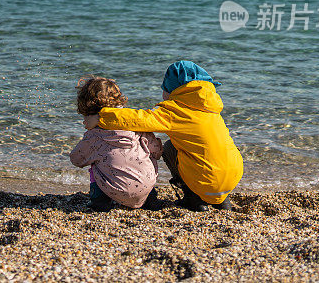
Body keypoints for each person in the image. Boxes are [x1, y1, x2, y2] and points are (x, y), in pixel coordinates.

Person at [84, 61, 243, 211]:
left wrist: (100, 117)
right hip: (233, 175)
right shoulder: (210, 109)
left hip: (207, 181)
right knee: (212, 149)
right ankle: (222, 200)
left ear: (174, 90)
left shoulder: (175, 111)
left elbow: (139, 119)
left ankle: (193, 198)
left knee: (169, 148)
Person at [69, 77, 163, 211]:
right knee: (147, 156)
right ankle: (151, 198)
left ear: (91, 113)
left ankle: (100, 202)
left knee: (95, 163)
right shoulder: (136, 126)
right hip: (145, 188)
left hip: (116, 190)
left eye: (85, 116)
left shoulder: (94, 136)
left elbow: (76, 159)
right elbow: (158, 150)